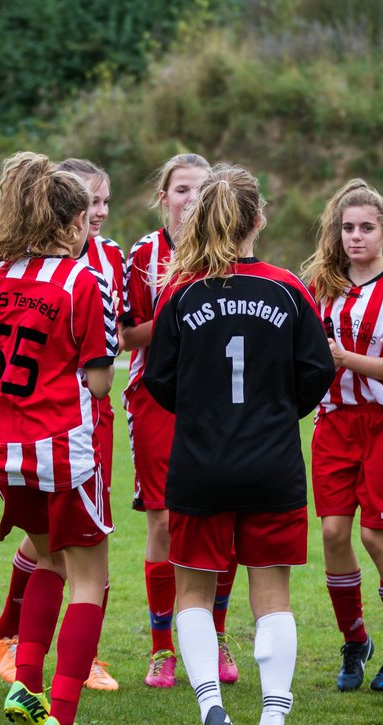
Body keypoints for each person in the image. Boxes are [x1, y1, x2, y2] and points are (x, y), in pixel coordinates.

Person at [144, 165, 334, 725]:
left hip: (200, 463)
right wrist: (277, 413)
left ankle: (213, 712)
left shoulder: (181, 293)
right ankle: (273, 724)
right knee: (272, 597)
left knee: (194, 594)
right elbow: (317, 371)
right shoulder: (286, 289)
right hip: (273, 462)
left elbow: (158, 382)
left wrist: (204, 416)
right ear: (260, 218)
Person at [0, 152, 119, 725]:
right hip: (64, 448)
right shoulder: (86, 282)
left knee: (48, 561)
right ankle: (61, 720)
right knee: (91, 579)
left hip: (2, 448)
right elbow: (101, 381)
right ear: (74, 222)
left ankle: (25, 683)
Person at [121, 153, 241, 689]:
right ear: (163, 196)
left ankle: (215, 635)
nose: (191, 199)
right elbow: (127, 333)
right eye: (181, 189)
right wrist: (179, 317)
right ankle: (162, 647)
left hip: (220, 402)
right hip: (159, 398)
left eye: (201, 190)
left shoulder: (233, 252)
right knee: (165, 522)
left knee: (222, 518)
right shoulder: (145, 254)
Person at [302, 179, 383, 692]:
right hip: (334, 424)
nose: (355, 237)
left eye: (366, 228)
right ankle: (355, 641)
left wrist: (347, 359)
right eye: (347, 227)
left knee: (376, 535)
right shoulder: (320, 285)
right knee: (332, 534)